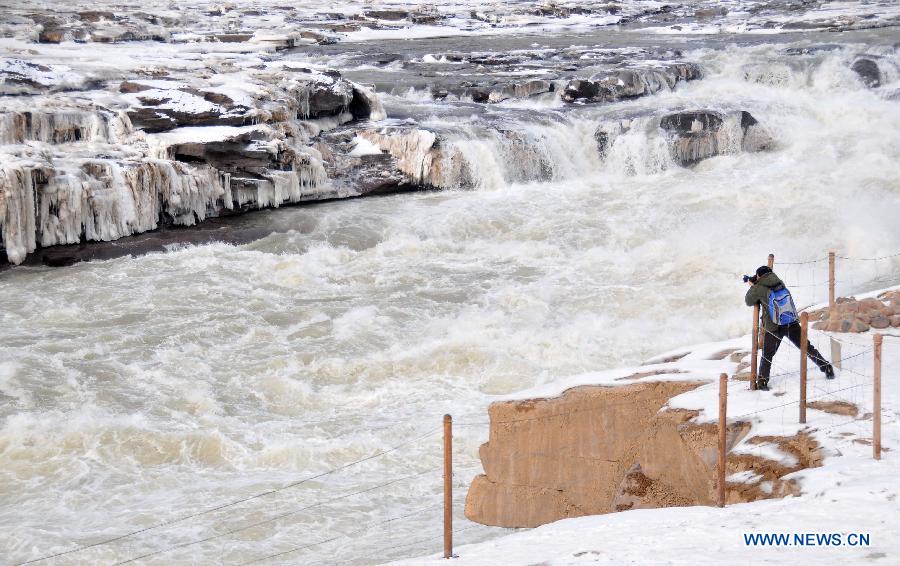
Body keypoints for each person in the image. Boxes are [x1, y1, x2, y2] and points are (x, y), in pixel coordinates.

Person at [745, 266, 835, 390]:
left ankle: (762, 382)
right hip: (790, 321)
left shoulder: (759, 288)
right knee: (806, 346)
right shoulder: (779, 282)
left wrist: (752, 286)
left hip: (774, 326)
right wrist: (757, 282)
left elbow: (749, 301)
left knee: (767, 354)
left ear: (759, 276)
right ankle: (826, 367)